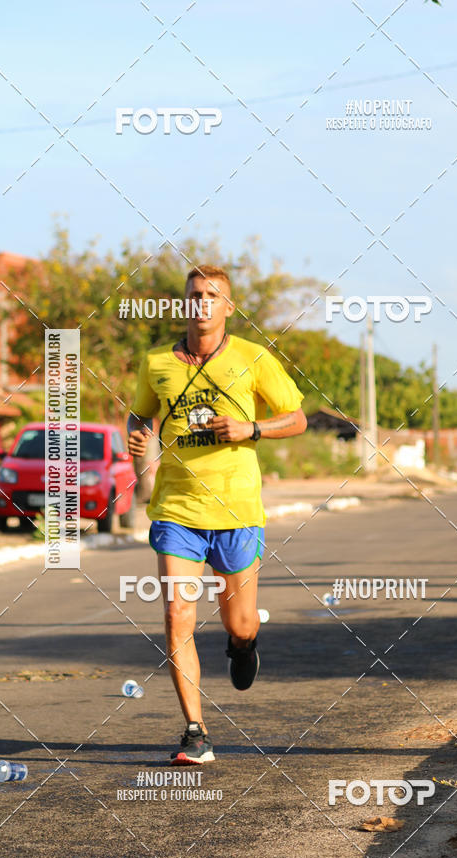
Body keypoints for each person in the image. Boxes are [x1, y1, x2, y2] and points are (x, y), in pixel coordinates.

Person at [127, 265, 306, 763]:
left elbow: (296, 418)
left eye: (213, 295)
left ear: (228, 306)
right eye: (194, 294)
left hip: (237, 510)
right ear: (184, 303)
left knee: (240, 621)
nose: (202, 301)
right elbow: (140, 413)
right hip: (176, 510)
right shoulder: (157, 362)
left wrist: (251, 429)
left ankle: (244, 644)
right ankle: (195, 731)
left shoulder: (254, 358)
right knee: (176, 613)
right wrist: (138, 436)